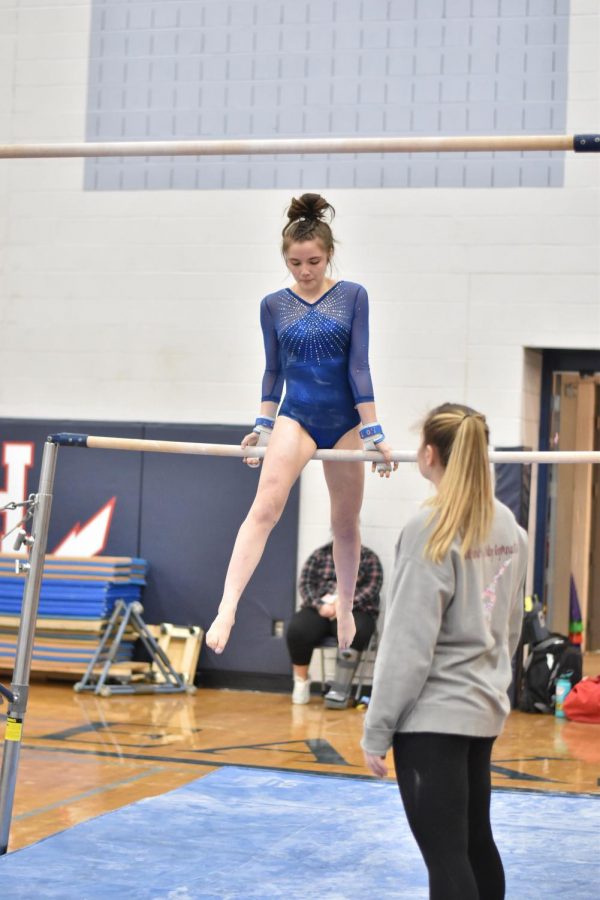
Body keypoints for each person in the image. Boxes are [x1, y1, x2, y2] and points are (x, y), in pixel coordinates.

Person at [206, 193, 396, 656]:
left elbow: (359, 366)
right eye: (295, 262)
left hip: (345, 421)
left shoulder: (353, 295)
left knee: (344, 521)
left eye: (312, 261)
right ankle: (227, 605)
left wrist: (373, 430)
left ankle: (347, 606)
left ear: (328, 254)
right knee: (265, 507)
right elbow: (273, 370)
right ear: (285, 259)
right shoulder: (273, 304)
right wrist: (264, 426)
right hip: (298, 416)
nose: (304, 270)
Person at [361, 403, 528, 900]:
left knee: (447, 858)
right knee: (476, 845)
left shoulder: (427, 529)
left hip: (433, 719)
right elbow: (511, 629)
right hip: (482, 712)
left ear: (428, 454)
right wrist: (493, 684)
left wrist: (377, 726)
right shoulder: (509, 528)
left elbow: (407, 644)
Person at [286, 540, 382, 705]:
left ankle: (340, 689)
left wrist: (345, 604)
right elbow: (305, 584)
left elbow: (372, 588)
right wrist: (320, 605)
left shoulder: (369, 558)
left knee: (356, 630)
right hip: (323, 608)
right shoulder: (319, 555)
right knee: (297, 629)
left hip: (355, 609)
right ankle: (301, 684)